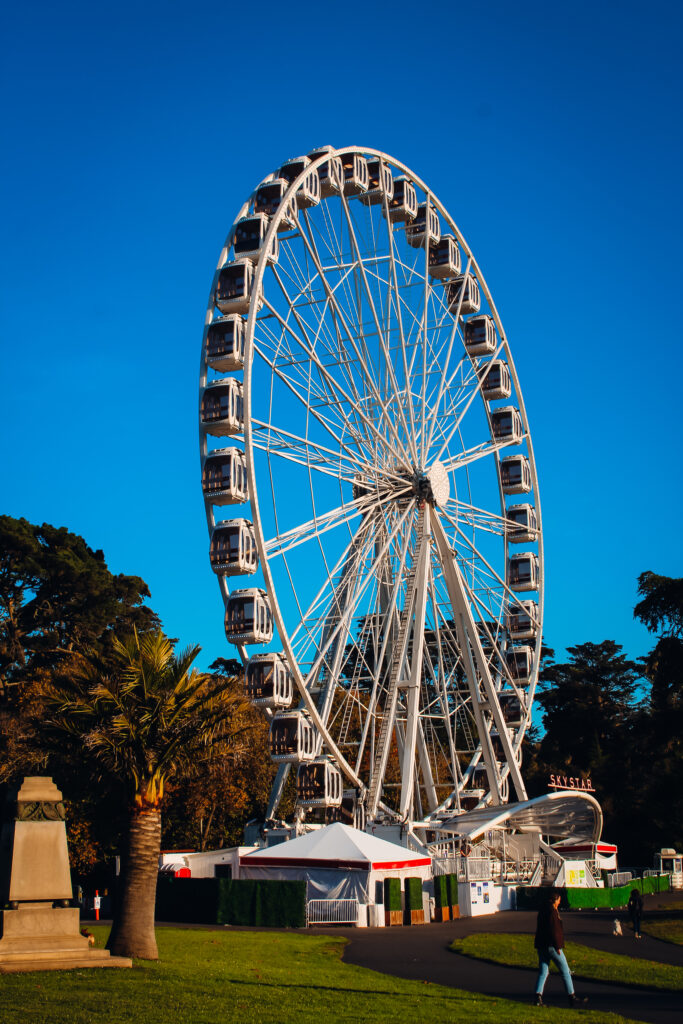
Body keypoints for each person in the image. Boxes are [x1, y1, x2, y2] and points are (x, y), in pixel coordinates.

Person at [534, 889, 587, 1008]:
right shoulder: (552, 912)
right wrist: (557, 946)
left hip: (541, 945)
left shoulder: (543, 910)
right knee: (566, 971)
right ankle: (571, 996)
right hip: (552, 946)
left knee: (543, 971)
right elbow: (555, 931)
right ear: (555, 900)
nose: (559, 902)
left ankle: (537, 996)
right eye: (558, 900)